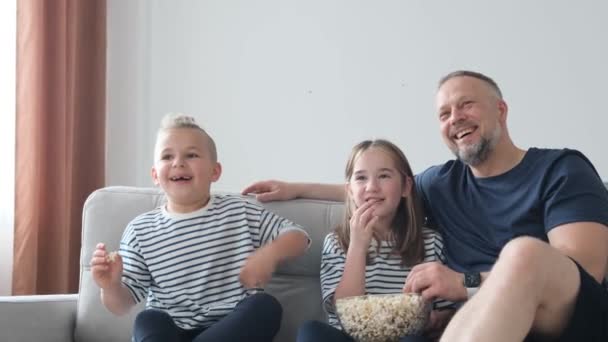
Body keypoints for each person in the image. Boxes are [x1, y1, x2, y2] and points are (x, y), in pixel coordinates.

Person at [242, 70, 608, 341]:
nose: (455, 118)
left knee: (524, 253)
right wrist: (294, 187)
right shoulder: (442, 182)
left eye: (466, 104)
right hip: (475, 326)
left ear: (501, 110)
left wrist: (464, 283)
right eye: (444, 113)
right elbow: (376, 189)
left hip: (561, 319)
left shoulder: (560, 169)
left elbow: (584, 268)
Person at [90, 113, 310, 342]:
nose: (178, 163)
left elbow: (299, 237)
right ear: (155, 175)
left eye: (191, 155)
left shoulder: (242, 211)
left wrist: (270, 254)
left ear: (215, 171)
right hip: (171, 332)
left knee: (265, 307)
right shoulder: (140, 230)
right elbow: (121, 305)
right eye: (167, 157)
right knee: (148, 319)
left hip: (230, 329)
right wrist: (110, 285)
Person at [296, 139, 452, 342]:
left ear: (406, 187)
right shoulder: (336, 242)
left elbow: (446, 309)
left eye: (384, 176)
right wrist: (358, 246)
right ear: (350, 191)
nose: (372, 187)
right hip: (350, 337)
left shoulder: (431, 242)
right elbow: (343, 311)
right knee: (311, 332)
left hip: (404, 337)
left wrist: (437, 318)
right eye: (361, 178)